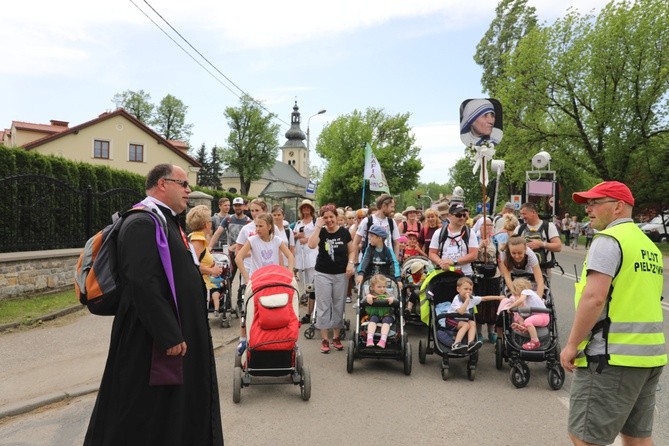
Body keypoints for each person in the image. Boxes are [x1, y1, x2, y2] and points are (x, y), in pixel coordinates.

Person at [84, 164, 223, 445]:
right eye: (183, 184)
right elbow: (142, 283)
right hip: (148, 342)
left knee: (170, 410)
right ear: (162, 184)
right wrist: (168, 334)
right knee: (142, 413)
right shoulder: (141, 223)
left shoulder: (166, 220)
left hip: (175, 333)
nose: (188, 191)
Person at [560, 181, 666, 446]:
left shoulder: (609, 240)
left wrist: (572, 344)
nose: (588, 209)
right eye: (587, 204)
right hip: (649, 357)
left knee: (584, 438)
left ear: (618, 206)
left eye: (595, 202)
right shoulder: (648, 246)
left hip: (611, 358)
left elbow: (594, 298)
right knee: (637, 438)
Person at [307, 204, 356, 353]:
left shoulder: (344, 232)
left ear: (336, 217)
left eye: (331, 217)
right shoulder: (321, 232)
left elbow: (352, 251)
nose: (329, 220)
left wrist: (351, 263)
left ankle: (336, 337)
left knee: (338, 305)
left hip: (341, 274)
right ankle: (324, 339)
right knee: (323, 305)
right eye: (326, 217)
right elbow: (311, 245)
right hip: (323, 273)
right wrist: (318, 227)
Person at [445, 276, 503, 353]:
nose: (468, 291)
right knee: (466, 325)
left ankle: (470, 343)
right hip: (451, 320)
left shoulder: (472, 298)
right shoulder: (457, 299)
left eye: (470, 289)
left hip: (463, 320)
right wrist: (467, 300)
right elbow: (461, 312)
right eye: (465, 289)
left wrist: (499, 297)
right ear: (458, 289)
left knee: (472, 323)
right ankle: (456, 344)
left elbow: (484, 298)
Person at [186, 205, 224, 319]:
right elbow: (192, 264)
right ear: (206, 224)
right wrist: (212, 270)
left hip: (202, 283)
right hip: (199, 285)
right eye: (210, 221)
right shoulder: (198, 240)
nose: (211, 223)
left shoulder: (195, 237)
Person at [210, 196, 251, 288]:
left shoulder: (248, 222)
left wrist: (236, 246)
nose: (237, 208)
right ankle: (228, 300)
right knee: (228, 278)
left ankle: (241, 300)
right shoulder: (228, 219)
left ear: (243, 206)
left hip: (243, 253)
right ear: (233, 207)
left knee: (244, 279)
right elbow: (217, 233)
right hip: (231, 254)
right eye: (235, 205)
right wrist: (210, 246)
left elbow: (249, 239)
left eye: (239, 205)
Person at [429, 203, 479, 275]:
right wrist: (441, 262)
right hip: (444, 273)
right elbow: (432, 253)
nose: (462, 218)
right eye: (458, 215)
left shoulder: (470, 232)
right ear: (449, 216)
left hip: (464, 274)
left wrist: (454, 261)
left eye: (464, 215)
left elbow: (473, 255)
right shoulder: (439, 232)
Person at [514, 202, 562, 278]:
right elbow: (512, 247)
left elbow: (558, 247)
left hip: (543, 269)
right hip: (523, 270)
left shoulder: (549, 226)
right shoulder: (519, 229)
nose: (522, 217)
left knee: (542, 289)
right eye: (521, 214)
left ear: (533, 212)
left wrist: (541, 244)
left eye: (524, 214)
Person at [473, 218, 502, 343]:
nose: (488, 227)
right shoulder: (474, 239)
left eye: (490, 225)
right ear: (480, 227)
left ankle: (491, 332)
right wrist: (480, 246)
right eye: (485, 225)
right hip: (479, 275)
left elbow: (499, 258)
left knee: (492, 304)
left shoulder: (495, 240)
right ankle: (478, 333)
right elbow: (472, 256)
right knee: (479, 304)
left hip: (494, 275)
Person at [504, 277, 549, 350]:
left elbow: (520, 300)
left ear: (519, 287)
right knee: (521, 317)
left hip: (542, 316)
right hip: (538, 316)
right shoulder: (529, 296)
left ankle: (535, 341)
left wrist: (510, 307)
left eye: (515, 289)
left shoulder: (526, 291)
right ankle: (524, 327)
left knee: (528, 321)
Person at [353, 193, 401, 258]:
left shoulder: (392, 222)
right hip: (369, 263)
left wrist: (395, 263)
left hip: (387, 264)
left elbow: (396, 244)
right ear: (384, 206)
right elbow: (356, 242)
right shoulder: (367, 221)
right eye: (391, 207)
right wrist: (355, 262)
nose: (393, 210)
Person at [294, 199, 319, 323]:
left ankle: (313, 312)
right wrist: (297, 236)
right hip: (301, 254)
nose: (306, 209)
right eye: (303, 207)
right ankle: (309, 311)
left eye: (308, 207)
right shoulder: (298, 222)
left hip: (312, 254)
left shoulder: (315, 222)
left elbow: (319, 235)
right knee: (305, 285)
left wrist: (307, 238)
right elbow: (293, 235)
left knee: (313, 284)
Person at [355, 225, 401, 291]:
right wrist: (361, 274)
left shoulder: (388, 251)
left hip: (385, 282)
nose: (369, 238)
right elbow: (364, 261)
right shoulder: (369, 249)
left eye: (372, 236)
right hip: (370, 280)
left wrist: (398, 279)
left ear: (379, 238)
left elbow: (395, 264)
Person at [498, 235, 545, 299]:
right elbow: (507, 276)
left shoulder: (531, 255)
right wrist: (514, 293)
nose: (517, 256)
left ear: (525, 249)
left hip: (528, 277)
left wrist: (538, 299)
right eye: (513, 253)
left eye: (520, 253)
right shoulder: (504, 254)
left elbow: (540, 281)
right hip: (513, 277)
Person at [364, 274, 396, 348]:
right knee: (373, 319)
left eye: (384, 287)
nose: (382, 289)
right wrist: (368, 297)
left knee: (386, 320)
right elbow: (364, 299)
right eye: (379, 287)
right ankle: (370, 338)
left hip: (387, 314)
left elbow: (394, 299)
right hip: (374, 315)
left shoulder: (388, 295)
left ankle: (383, 340)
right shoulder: (370, 295)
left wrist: (392, 299)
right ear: (372, 287)